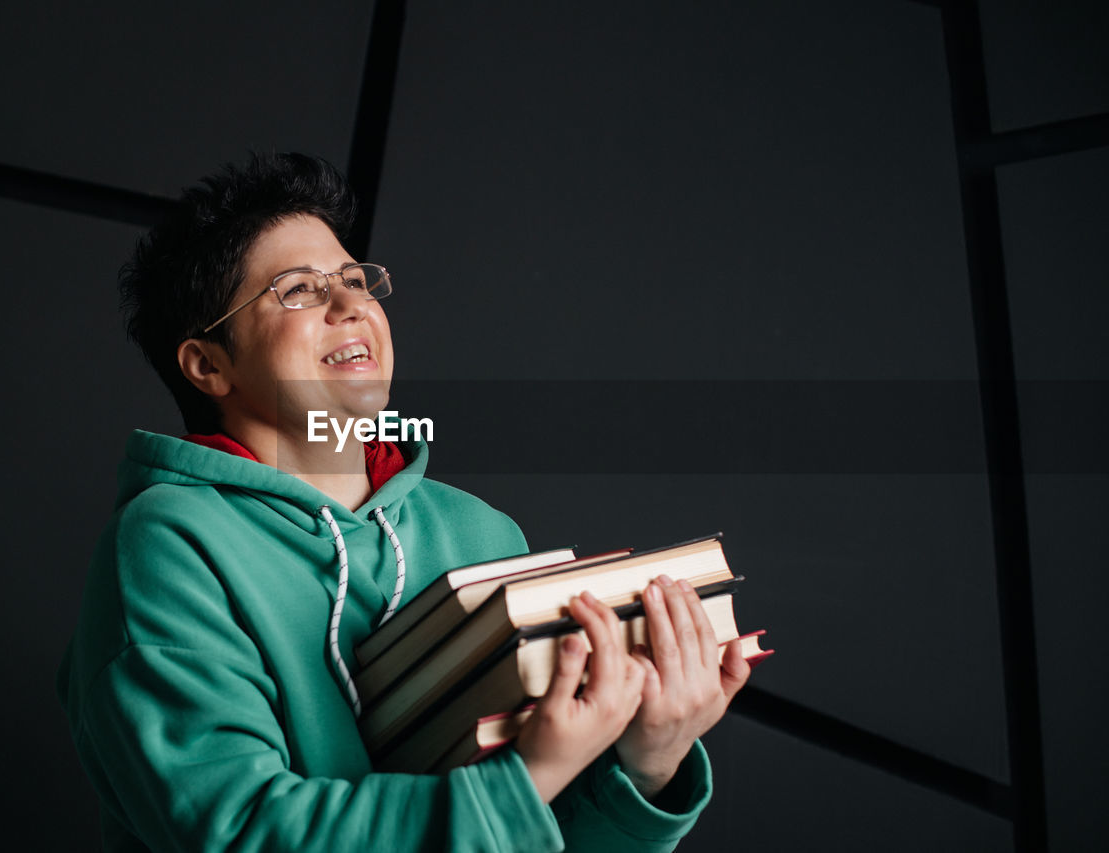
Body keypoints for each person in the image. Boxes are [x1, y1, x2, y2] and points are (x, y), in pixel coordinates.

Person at [57, 152, 751, 852]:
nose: (352, 304)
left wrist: (650, 760)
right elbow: (242, 832)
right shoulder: (168, 544)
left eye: (356, 280)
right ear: (209, 364)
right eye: (298, 289)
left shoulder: (480, 531)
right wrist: (535, 769)